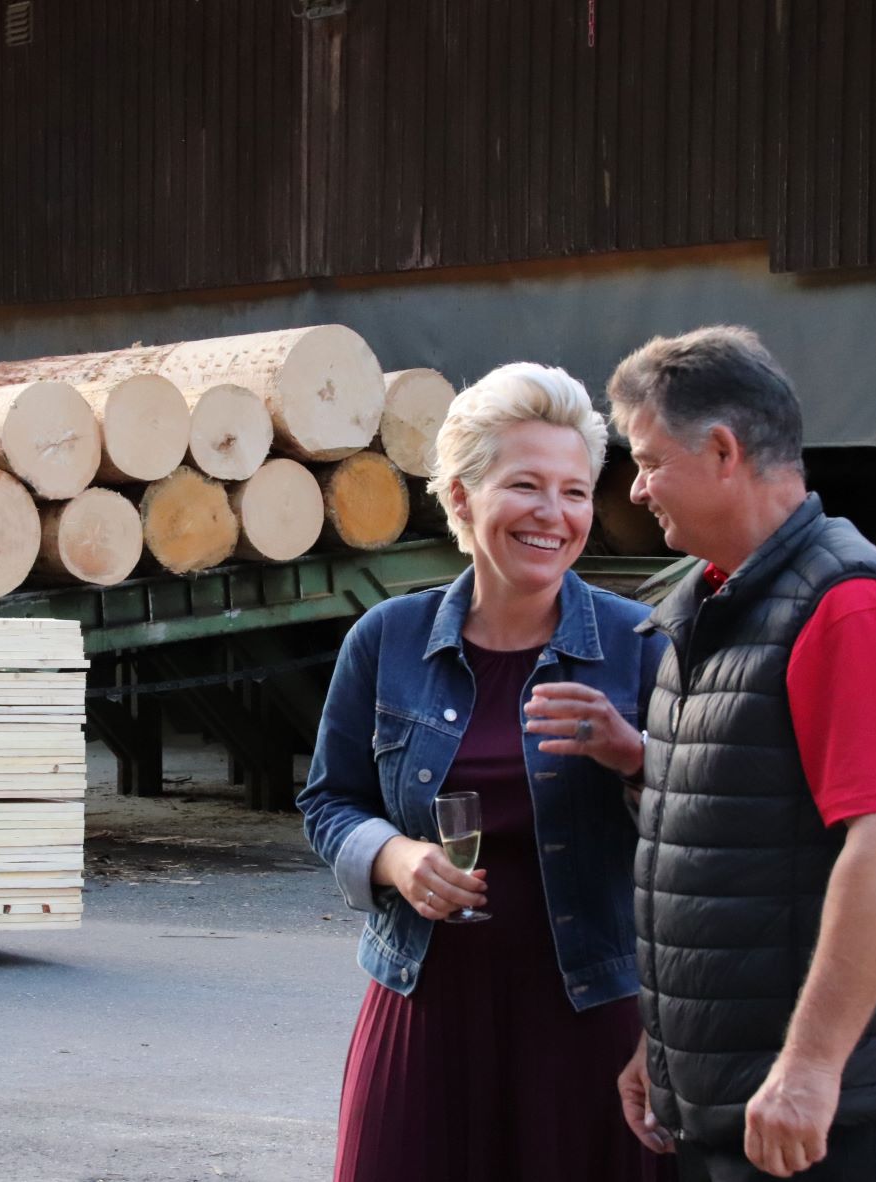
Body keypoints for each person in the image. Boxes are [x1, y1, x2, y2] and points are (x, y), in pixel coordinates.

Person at [298, 362, 675, 1182]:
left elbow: (707, 832)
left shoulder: (640, 645)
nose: (553, 514)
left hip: (593, 1019)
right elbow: (329, 801)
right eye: (525, 485)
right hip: (424, 1007)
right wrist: (394, 858)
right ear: (461, 497)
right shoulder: (387, 639)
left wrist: (635, 756)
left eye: (574, 492)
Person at [599, 326, 876, 1181]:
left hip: (802, 1114)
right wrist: (665, 1044)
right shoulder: (711, 606)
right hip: (728, 1094)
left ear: (722, 451)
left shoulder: (847, 607)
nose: (635, 490)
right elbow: (714, 857)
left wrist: (812, 1068)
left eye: (647, 462)